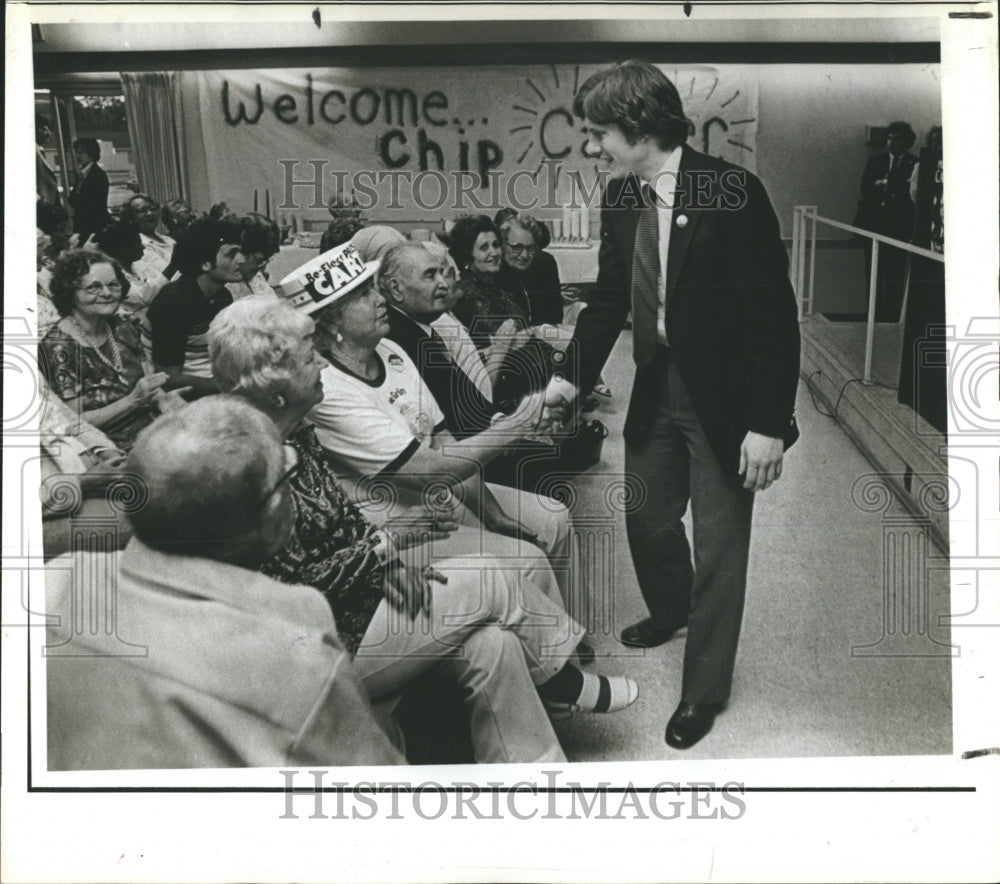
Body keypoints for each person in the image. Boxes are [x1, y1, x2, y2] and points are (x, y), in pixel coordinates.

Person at [209, 298, 636, 761]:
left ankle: (535, 777)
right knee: (493, 575)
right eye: (309, 359)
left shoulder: (296, 435)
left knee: (493, 644)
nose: (321, 367)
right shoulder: (247, 465)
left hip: (358, 605)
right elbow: (290, 589)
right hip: (316, 645)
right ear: (274, 389)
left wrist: (385, 562)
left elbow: (343, 526)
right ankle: (563, 680)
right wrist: (387, 546)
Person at [545, 60, 801, 749]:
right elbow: (606, 299)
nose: (593, 146)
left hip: (727, 397)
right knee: (647, 514)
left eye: (599, 133)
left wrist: (767, 426)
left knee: (720, 547)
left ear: (639, 125)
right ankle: (670, 607)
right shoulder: (622, 197)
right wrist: (570, 377)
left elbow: (773, 319)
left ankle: (703, 691)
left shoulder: (731, 191)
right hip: (657, 379)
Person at [44, 397, 406, 769]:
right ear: (270, 513)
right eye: (288, 475)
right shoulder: (297, 651)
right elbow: (372, 791)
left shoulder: (58, 581)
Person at [276, 243, 587, 630]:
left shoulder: (390, 349)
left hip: (438, 495)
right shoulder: (329, 390)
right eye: (362, 296)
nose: (379, 299)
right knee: (527, 559)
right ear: (330, 324)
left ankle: (573, 636)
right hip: (394, 518)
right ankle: (558, 672)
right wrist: (518, 423)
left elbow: (442, 442)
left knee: (554, 517)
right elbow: (428, 468)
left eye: (374, 288)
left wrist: (493, 514)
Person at [38, 249, 182, 452]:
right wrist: (133, 401)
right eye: (93, 287)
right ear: (70, 293)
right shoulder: (58, 347)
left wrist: (170, 403)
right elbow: (74, 424)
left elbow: (150, 384)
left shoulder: (123, 325)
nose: (107, 293)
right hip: (108, 449)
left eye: (113, 285)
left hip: (154, 430)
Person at [449, 215, 558, 410]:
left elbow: (521, 332)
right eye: (484, 248)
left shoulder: (490, 282)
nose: (494, 253)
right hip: (505, 389)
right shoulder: (467, 292)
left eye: (495, 245)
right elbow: (507, 339)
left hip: (525, 377)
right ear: (468, 256)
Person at [142, 217, 243, 397]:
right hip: (182, 399)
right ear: (205, 263)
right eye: (231, 254)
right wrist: (233, 386)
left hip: (214, 385)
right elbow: (168, 379)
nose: (241, 260)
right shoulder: (173, 302)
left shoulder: (222, 296)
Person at [852, 121, 918, 322]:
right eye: (889, 138)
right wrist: (888, 188)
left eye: (897, 139)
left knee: (894, 274)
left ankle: (891, 318)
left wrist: (888, 186)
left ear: (906, 142)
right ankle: (873, 316)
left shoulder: (914, 165)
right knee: (872, 274)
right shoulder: (876, 162)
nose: (891, 143)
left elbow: (911, 195)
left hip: (898, 229)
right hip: (874, 226)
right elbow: (866, 188)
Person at [121, 193, 177, 279]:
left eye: (152, 209)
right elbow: (167, 277)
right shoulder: (140, 247)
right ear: (130, 218)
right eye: (142, 211)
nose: (150, 213)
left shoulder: (168, 240)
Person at [67, 137, 110, 247]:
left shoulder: (97, 175)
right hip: (84, 224)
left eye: (81, 153)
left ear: (91, 153)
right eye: (76, 152)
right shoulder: (83, 174)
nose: (77, 156)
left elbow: (90, 204)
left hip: (93, 225)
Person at [229, 213, 281, 300]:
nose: (263, 268)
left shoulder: (253, 277)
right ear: (241, 252)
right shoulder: (229, 283)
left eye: (266, 261)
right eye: (259, 261)